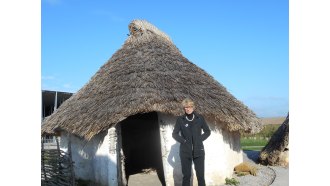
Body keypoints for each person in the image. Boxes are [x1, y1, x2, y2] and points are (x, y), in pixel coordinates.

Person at [172, 98, 211, 186]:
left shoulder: (200, 118)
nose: (188, 109)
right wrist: (183, 141)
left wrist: (199, 139)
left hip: (199, 151)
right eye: (186, 107)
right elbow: (174, 134)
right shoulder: (180, 120)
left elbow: (207, 131)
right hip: (185, 152)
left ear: (193, 107)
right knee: (186, 176)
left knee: (200, 176)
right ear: (184, 108)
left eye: (189, 107)